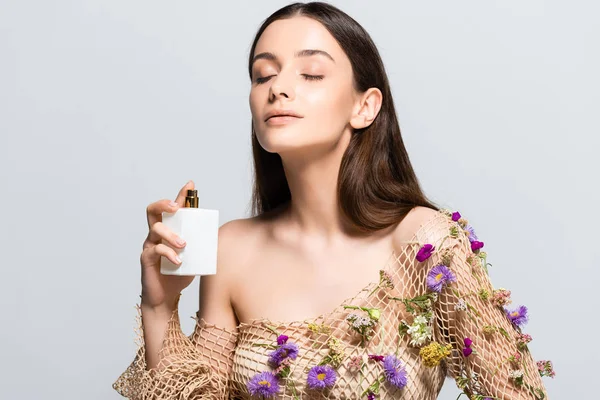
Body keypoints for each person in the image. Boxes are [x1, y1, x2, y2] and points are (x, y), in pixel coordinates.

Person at [113, 2, 553, 399]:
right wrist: (160, 305)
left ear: (365, 106)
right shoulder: (232, 248)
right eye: (263, 74)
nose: (277, 89)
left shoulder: (424, 244)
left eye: (311, 74)